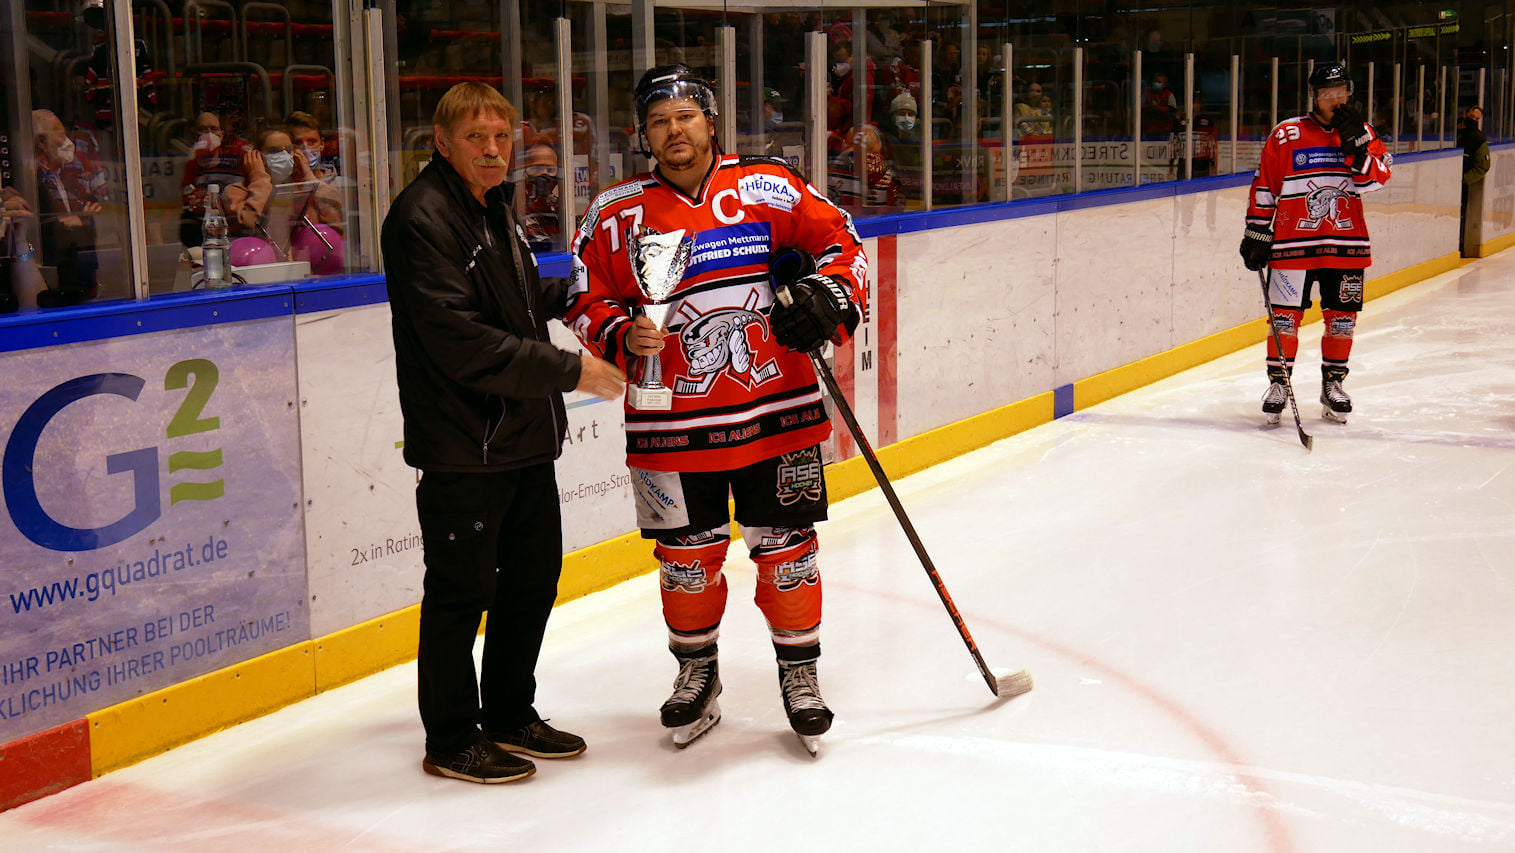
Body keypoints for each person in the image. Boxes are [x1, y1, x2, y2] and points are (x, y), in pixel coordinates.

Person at [565, 64, 868, 754]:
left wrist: (827, 297)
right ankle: (697, 676)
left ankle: (801, 678)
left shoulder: (765, 187)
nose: (674, 130)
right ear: (644, 135)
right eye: (658, 120)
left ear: (709, 123)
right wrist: (618, 333)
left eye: (685, 116)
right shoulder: (614, 214)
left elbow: (843, 242)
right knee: (684, 559)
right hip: (668, 425)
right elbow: (583, 297)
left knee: (788, 552)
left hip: (778, 415)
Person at [380, 81, 627, 784]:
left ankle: (509, 712)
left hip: (519, 438)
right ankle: (452, 735)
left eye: (501, 136)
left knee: (530, 580)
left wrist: (589, 295)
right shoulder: (422, 218)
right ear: (440, 141)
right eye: (474, 138)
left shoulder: (491, 209)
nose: (492, 150)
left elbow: (515, 299)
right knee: (461, 594)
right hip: (464, 445)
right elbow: (462, 341)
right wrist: (572, 370)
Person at [1240, 62, 1391, 426]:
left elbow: (1376, 181)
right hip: (1293, 245)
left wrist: (1358, 151)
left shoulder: (1363, 132)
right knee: (1284, 319)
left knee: (1341, 320)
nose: (1335, 99)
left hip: (1346, 245)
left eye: (1341, 92)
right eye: (1327, 93)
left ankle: (1333, 385)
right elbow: (1265, 185)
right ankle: (1279, 385)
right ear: (1315, 97)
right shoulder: (1286, 134)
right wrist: (1257, 231)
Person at [33, 109, 107, 307]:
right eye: (60, 134)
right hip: (54, 286)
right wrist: (77, 222)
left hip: (82, 279)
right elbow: (47, 233)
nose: (67, 141)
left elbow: (95, 217)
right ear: (42, 142)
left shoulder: (68, 178)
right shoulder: (33, 182)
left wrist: (80, 220)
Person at [1457, 105, 1490, 256]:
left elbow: (1482, 166)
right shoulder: (1452, 130)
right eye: (1472, 117)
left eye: (1477, 119)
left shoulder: (1478, 138)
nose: (1474, 121)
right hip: (1444, 183)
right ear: (1465, 114)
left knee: (1459, 214)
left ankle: (1459, 246)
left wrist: (1464, 180)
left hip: (1461, 185)